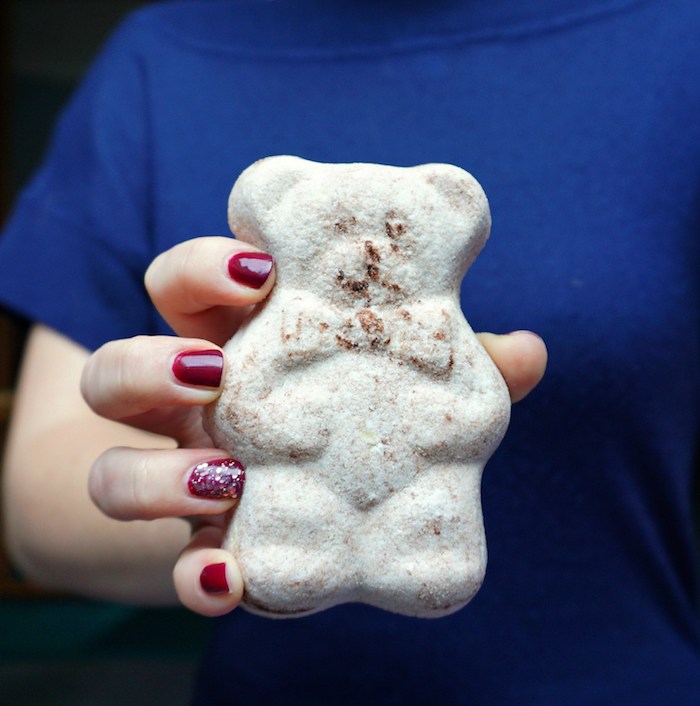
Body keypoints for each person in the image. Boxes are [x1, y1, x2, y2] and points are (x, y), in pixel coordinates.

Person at [1, 0, 699, 703]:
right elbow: (38, 504)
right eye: (340, 235)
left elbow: (478, 412)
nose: (367, 252)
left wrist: (447, 423)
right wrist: (217, 474)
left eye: (392, 238)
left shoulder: (678, 36)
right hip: (276, 647)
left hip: (621, 671)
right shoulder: (160, 54)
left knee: (432, 544)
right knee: (289, 534)